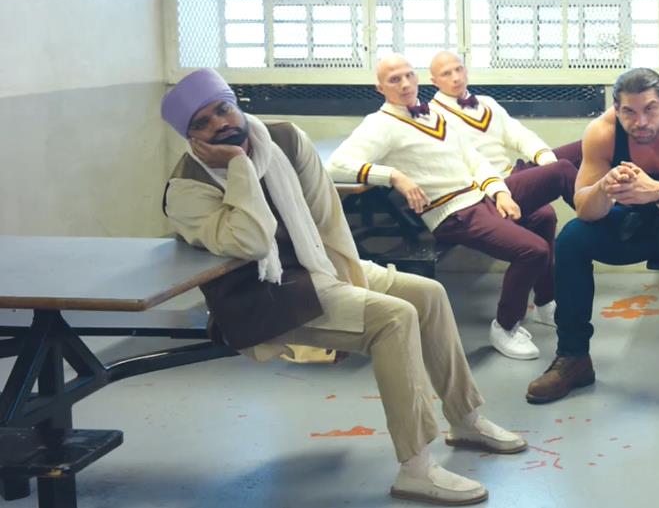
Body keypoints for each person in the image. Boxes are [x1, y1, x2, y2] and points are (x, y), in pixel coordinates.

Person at [161, 68, 525, 506]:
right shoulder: (186, 188)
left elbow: (326, 221)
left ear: (236, 103)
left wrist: (348, 281)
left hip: (318, 266)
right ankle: (416, 467)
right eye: (202, 123)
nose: (220, 124)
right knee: (394, 318)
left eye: (223, 109)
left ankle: (465, 419)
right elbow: (252, 241)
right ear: (192, 137)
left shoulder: (284, 140)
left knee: (428, 295)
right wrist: (238, 165)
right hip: (261, 295)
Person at [524, 68, 659, 415]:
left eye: (650, 109)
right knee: (572, 239)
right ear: (616, 110)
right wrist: (604, 188)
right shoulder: (602, 132)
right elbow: (585, 210)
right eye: (629, 112)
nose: (641, 122)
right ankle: (573, 357)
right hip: (632, 223)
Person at [327, 55, 554, 360]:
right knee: (533, 251)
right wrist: (393, 176)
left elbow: (473, 159)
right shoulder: (380, 124)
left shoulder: (434, 114)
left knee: (544, 213)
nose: (405, 84)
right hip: (453, 213)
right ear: (380, 88)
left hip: (478, 198)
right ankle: (505, 327)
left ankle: (546, 302)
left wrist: (500, 192)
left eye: (409, 75)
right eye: (394, 80)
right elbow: (335, 165)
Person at [428, 50, 584, 203]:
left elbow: (519, 135)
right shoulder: (433, 115)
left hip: (512, 174)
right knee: (561, 169)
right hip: (487, 189)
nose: (456, 78)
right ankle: (591, 211)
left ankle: (595, 206)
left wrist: (547, 160)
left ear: (466, 70)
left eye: (459, 69)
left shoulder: (486, 102)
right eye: (446, 74)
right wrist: (496, 189)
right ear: (434, 81)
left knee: (584, 147)